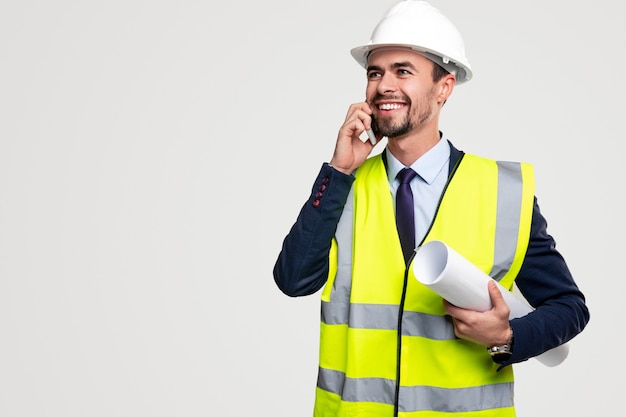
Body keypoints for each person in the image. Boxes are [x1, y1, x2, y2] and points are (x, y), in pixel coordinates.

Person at [273, 1, 590, 416]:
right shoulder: (342, 187)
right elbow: (293, 280)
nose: (384, 85)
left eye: (403, 71)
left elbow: (569, 308)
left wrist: (506, 336)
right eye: (375, 72)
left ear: (444, 87)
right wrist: (338, 171)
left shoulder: (502, 192)